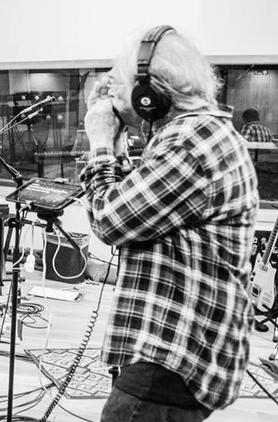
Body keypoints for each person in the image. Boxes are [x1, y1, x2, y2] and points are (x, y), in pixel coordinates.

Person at [81, 25, 259, 421]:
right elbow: (134, 213)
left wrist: (100, 141)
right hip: (176, 357)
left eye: (120, 83)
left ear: (150, 94)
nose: (113, 94)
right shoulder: (197, 133)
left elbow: (110, 221)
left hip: (170, 362)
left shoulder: (191, 142)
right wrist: (116, 144)